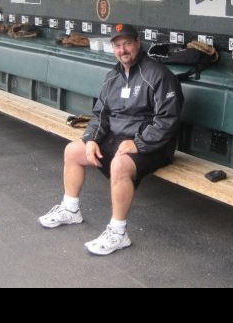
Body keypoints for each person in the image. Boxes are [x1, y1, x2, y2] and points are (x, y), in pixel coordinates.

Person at [38, 23, 184, 255]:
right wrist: (91, 139)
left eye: (127, 43)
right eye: (117, 45)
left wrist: (138, 143)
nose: (122, 50)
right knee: (73, 151)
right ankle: (70, 209)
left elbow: (167, 120)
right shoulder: (112, 77)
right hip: (117, 139)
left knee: (120, 165)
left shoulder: (158, 75)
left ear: (138, 43)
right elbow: (100, 115)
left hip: (154, 145)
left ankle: (118, 232)